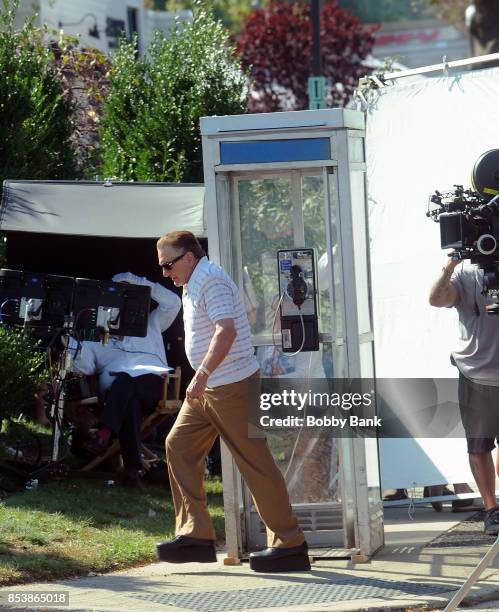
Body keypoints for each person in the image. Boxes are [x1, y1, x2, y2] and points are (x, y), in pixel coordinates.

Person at [156, 231, 309, 572]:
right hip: (211, 387)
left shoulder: (211, 280)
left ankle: (290, 544)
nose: (165, 274)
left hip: (232, 385)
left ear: (189, 257)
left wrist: (202, 373)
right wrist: (204, 378)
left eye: (168, 265)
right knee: (178, 445)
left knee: (255, 462)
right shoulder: (193, 281)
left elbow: (227, 331)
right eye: (162, 267)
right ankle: (195, 536)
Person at [70, 272, 181, 487]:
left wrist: (138, 282)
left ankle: (104, 434)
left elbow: (173, 302)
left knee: (126, 381)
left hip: (153, 385)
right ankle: (132, 472)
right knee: (128, 399)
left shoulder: (150, 324)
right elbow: (83, 368)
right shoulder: (95, 336)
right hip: (115, 394)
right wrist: (74, 340)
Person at [429, 255, 499, 533]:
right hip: (476, 372)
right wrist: (449, 266)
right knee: (479, 446)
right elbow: (436, 298)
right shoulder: (466, 274)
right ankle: (491, 509)